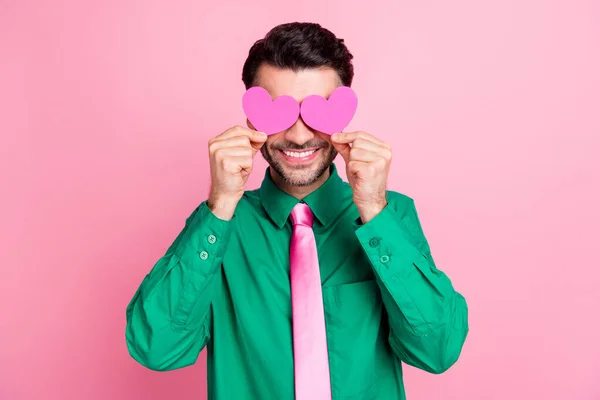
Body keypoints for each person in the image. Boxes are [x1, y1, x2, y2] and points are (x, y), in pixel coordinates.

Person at [126, 22, 469, 400]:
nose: (300, 135)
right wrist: (220, 204)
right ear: (253, 119)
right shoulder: (218, 226)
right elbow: (155, 348)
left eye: (318, 113)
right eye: (279, 112)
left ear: (343, 116)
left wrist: (373, 208)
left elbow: (437, 351)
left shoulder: (390, 216)